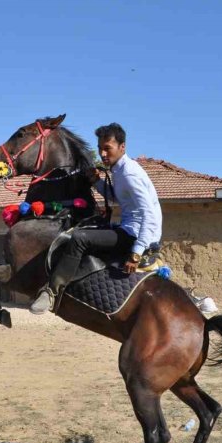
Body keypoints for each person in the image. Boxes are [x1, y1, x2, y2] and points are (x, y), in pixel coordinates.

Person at [30, 122, 163, 314]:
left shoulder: (129, 173)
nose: (102, 154)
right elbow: (115, 197)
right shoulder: (119, 170)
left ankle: (51, 292)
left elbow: (149, 213)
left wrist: (137, 251)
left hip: (135, 235)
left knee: (80, 238)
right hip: (129, 228)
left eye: (107, 149)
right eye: (100, 149)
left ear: (122, 147)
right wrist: (96, 181)